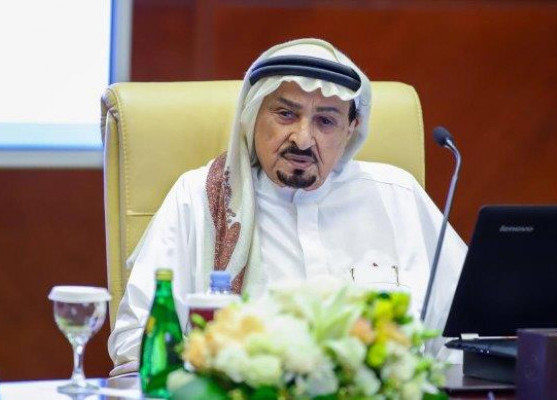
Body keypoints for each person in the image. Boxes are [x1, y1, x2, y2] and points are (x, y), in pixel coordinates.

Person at [108, 38, 467, 373]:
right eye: (285, 114)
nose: (303, 138)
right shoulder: (199, 197)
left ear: (350, 129)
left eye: (325, 121)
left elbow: (468, 338)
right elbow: (136, 343)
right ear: (253, 115)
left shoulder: (398, 196)